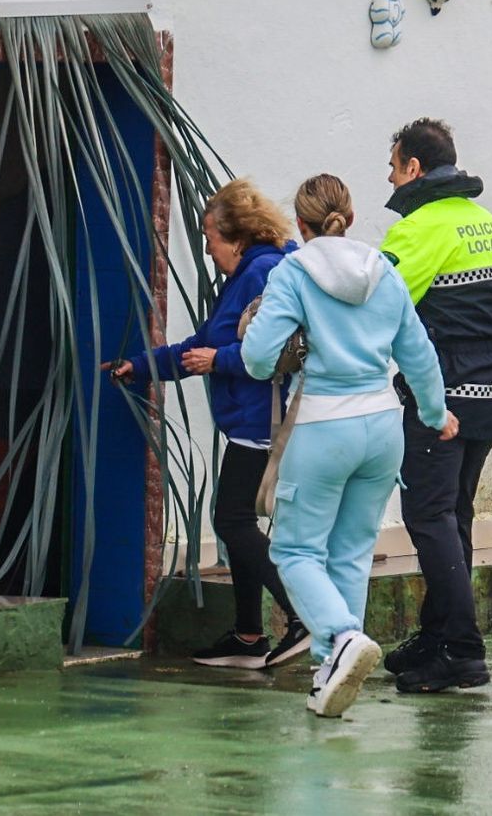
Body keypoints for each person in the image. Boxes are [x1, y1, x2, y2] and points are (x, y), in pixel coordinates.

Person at [241, 174, 457, 718]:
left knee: (294, 551)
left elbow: (258, 359)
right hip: (383, 427)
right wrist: (436, 414)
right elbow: (419, 353)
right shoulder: (383, 270)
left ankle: (340, 637)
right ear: (351, 218)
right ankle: (329, 672)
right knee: (352, 553)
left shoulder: (293, 272)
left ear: (302, 224)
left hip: (322, 426)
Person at [101, 179, 309, 670]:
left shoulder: (263, 273)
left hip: (262, 419)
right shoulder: (244, 275)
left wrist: (219, 360)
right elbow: (205, 343)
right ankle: (248, 635)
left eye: (210, 238)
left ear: (236, 236)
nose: (208, 250)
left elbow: (275, 350)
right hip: (248, 419)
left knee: (233, 520)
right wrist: (143, 366)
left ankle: (302, 617)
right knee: (237, 522)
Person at [378, 118, 492, 693]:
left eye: (394, 167)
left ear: (414, 167)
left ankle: (462, 652)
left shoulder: (418, 228)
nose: (390, 178)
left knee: (427, 515)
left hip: (446, 391)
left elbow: (379, 305)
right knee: (453, 515)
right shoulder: (482, 220)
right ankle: (437, 635)